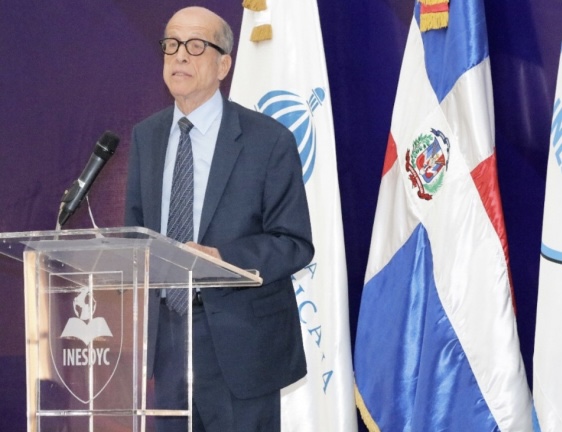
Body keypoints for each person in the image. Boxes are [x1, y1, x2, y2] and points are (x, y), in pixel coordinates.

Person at [124, 6, 314, 432]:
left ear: (224, 65)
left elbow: (294, 243)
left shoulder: (269, 140)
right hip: (168, 343)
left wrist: (221, 259)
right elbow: (137, 235)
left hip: (241, 343)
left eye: (195, 46)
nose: (179, 55)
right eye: (171, 44)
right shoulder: (146, 136)